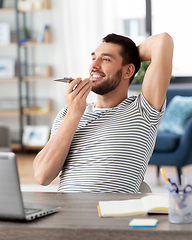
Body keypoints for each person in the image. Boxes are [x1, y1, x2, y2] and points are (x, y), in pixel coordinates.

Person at [33, 33, 174, 193]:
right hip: (68, 213)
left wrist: (131, 56)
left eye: (106, 59)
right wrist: (73, 115)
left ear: (128, 71)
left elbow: (162, 41)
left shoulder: (143, 110)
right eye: (93, 58)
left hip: (113, 214)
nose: (94, 66)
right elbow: (42, 175)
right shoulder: (69, 112)